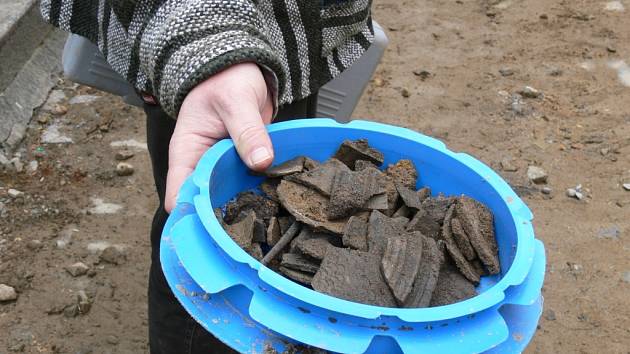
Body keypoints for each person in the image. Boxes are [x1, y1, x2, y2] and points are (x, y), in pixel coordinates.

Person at [39, 0, 375, 352]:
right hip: (200, 48)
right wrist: (210, 45)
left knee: (284, 195)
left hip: (296, 36)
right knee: (201, 242)